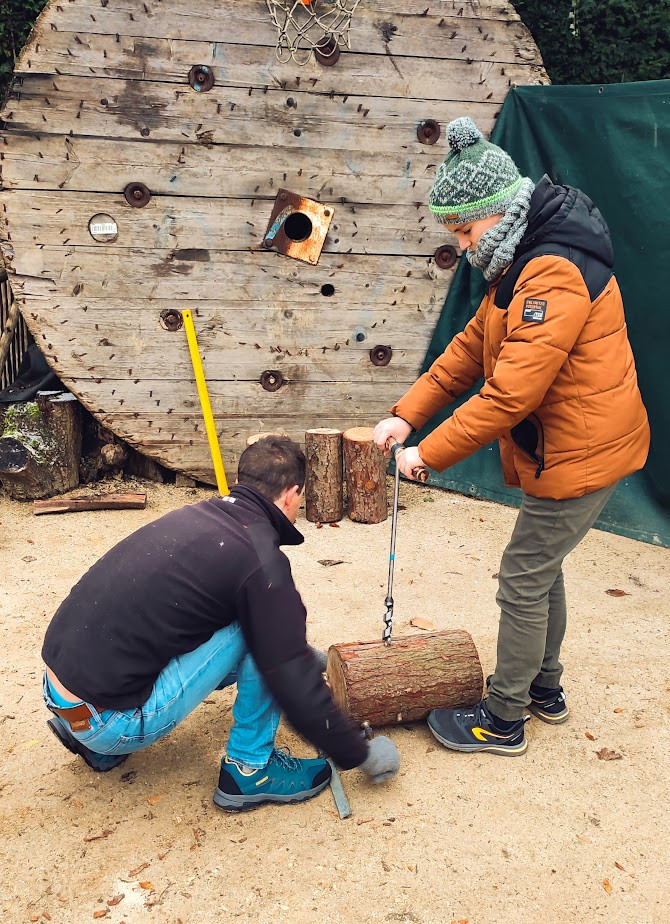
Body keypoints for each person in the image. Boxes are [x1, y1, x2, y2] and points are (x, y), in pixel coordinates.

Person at [373, 116, 649, 756]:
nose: (464, 246)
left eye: (466, 231)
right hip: (562, 446)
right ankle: (544, 688)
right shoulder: (520, 255)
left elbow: (509, 394)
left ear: (498, 213)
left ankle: (502, 719)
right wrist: (407, 414)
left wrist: (427, 454)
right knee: (541, 566)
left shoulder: (551, 271)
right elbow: (471, 349)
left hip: (581, 451)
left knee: (522, 577)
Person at [41, 436, 400, 809]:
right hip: (112, 721)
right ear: (293, 494)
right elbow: (286, 670)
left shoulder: (195, 517)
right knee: (257, 635)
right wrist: (358, 753)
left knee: (243, 619)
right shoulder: (260, 559)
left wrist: (311, 657)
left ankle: (87, 737)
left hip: (60, 692)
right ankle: (249, 770)